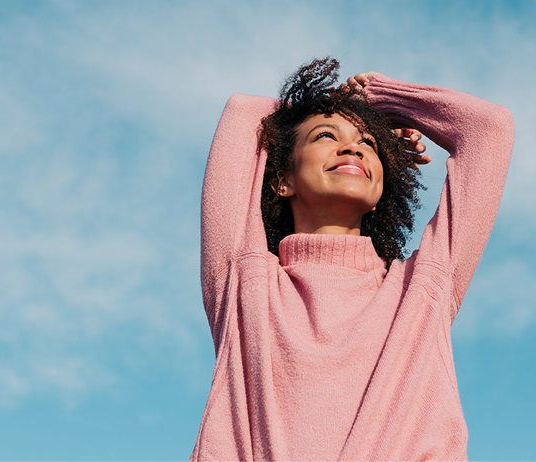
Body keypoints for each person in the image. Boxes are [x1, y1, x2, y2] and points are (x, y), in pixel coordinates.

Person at [191, 58, 515, 461]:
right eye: (326, 136)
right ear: (282, 179)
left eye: (369, 143)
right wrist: (341, 107)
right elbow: (244, 111)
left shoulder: (421, 290)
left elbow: (489, 128)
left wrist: (380, 99)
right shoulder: (243, 280)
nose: (352, 147)